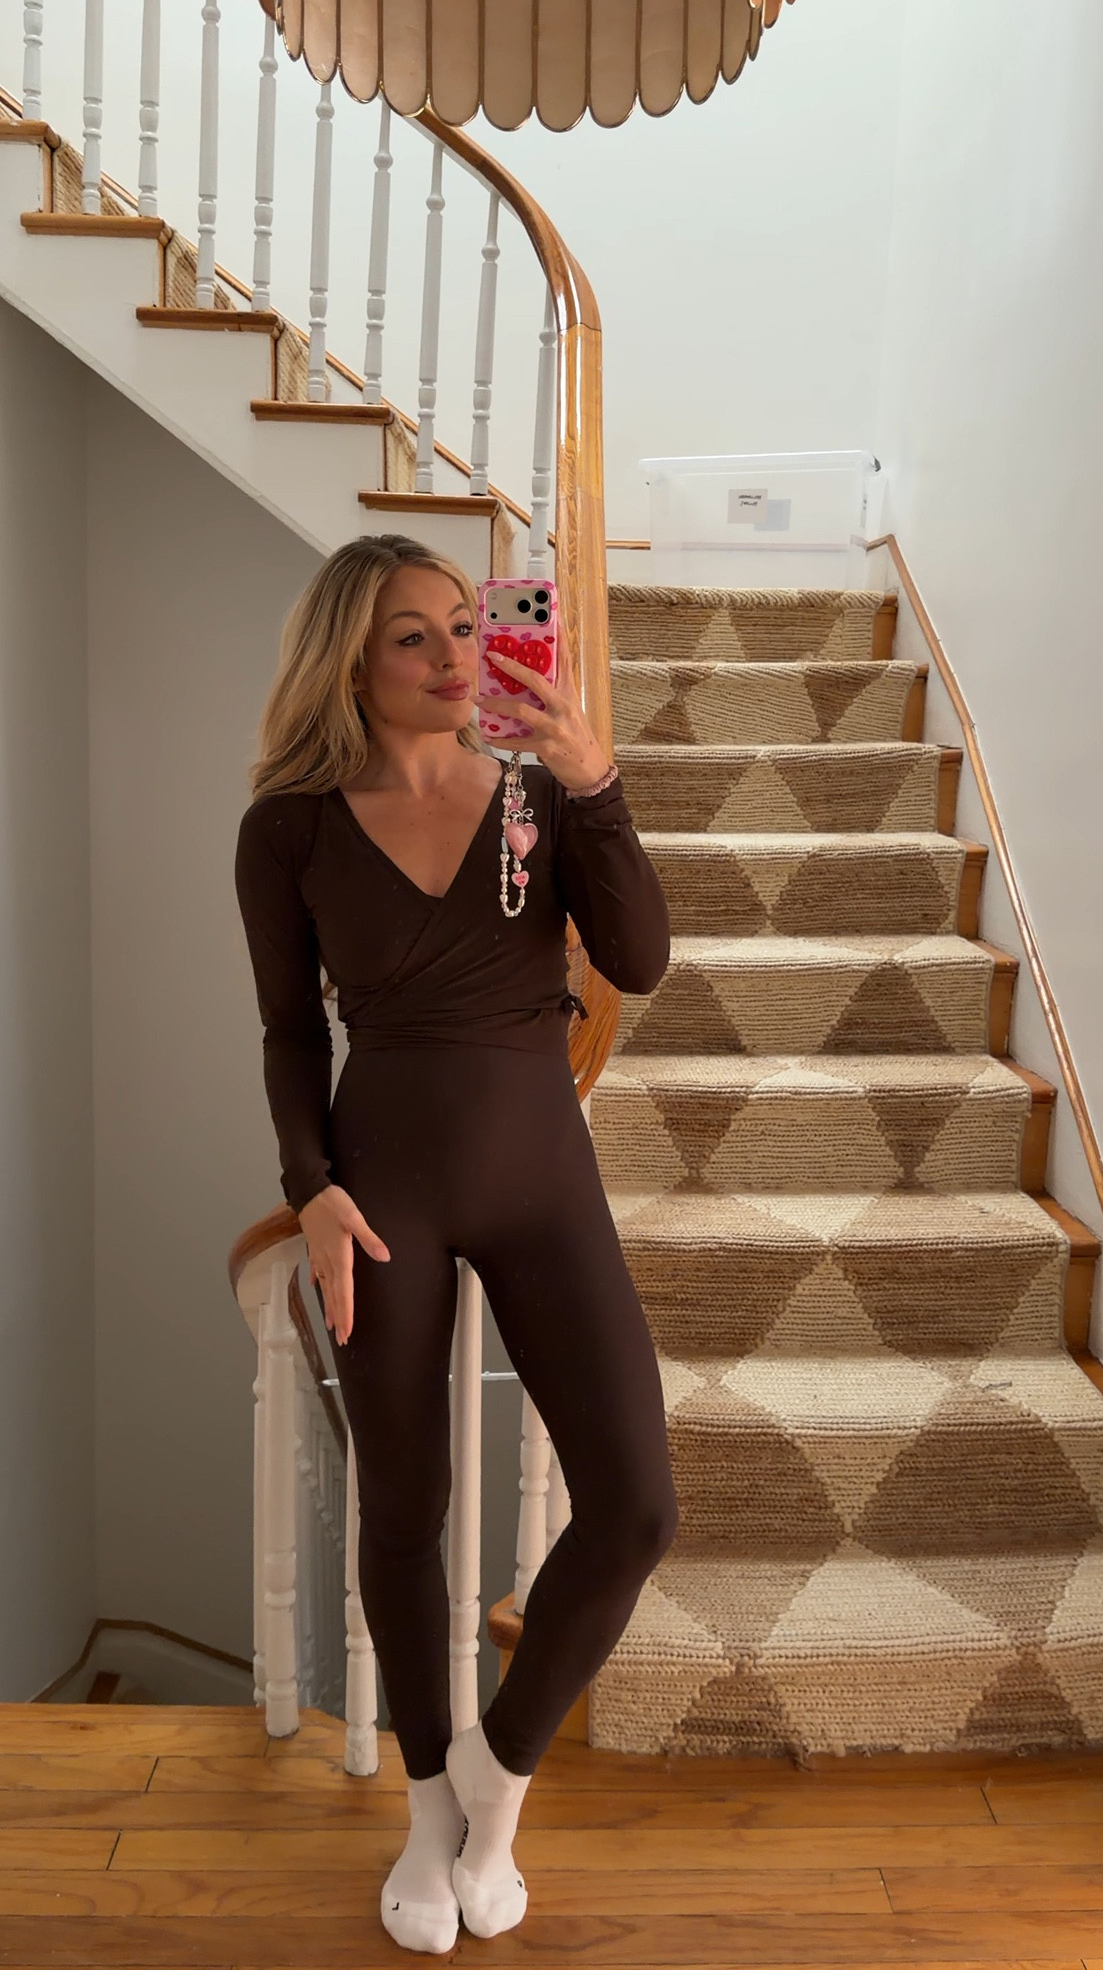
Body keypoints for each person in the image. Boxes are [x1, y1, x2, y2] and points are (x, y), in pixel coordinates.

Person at [233, 533, 679, 1953]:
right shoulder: (290, 827)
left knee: (637, 1504)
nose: (450, 657)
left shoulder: (541, 795)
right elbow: (290, 1031)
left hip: (542, 1176)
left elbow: (641, 959)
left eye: (461, 627)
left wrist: (595, 780)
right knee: (404, 1509)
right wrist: (310, 1188)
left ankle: (497, 1772)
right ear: (349, 663)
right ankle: (429, 1807)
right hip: (384, 1195)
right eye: (410, 637)